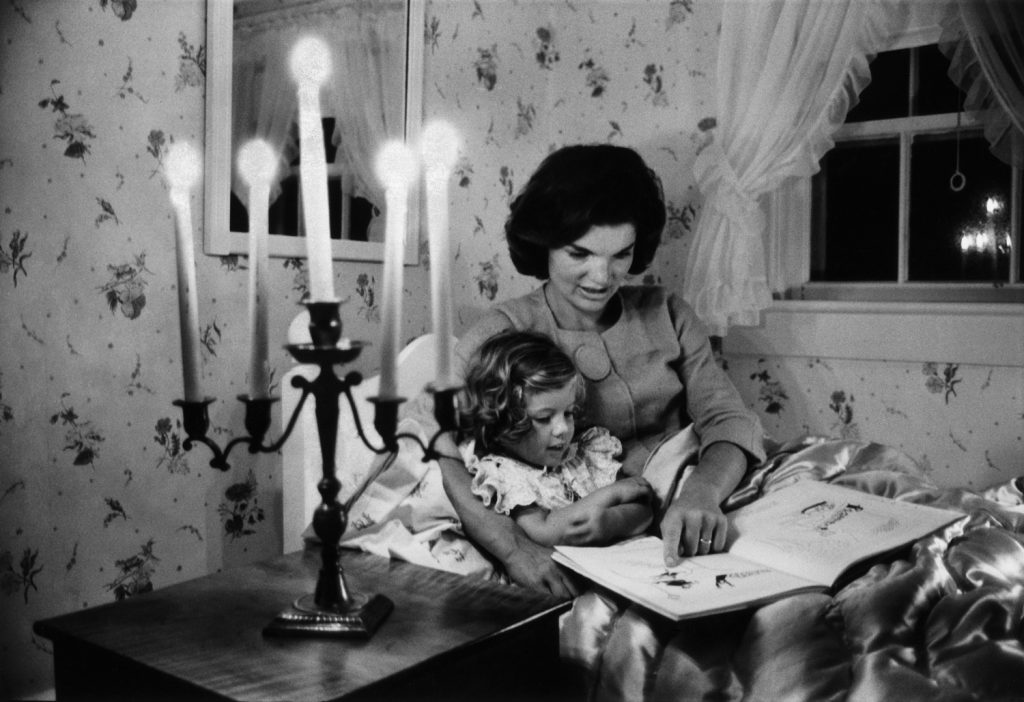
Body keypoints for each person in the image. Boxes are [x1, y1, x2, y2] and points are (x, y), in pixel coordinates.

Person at [429, 143, 765, 598]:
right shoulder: (500, 334)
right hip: (610, 532)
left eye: (620, 255)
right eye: (579, 253)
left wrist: (701, 494)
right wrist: (513, 550)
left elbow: (726, 418)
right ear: (543, 243)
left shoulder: (669, 312)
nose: (603, 277)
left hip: (702, 492)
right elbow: (437, 444)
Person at [458, 329, 654, 547]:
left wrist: (611, 522)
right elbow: (545, 531)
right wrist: (610, 497)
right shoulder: (506, 474)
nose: (563, 429)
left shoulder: (584, 456)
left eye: (568, 413)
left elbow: (645, 509)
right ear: (501, 423)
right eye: (544, 418)